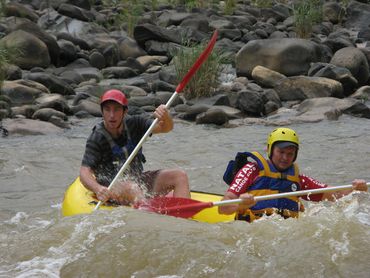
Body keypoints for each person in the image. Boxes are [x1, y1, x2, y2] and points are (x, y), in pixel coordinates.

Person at [219, 127, 368, 222]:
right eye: (281, 152)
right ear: (270, 150)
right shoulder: (252, 170)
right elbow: (222, 207)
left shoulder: (298, 180)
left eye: (290, 154)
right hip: (250, 227)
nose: (285, 157)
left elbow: (333, 194)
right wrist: (240, 202)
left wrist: (355, 187)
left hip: (284, 230)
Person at [80, 89, 191, 205]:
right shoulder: (97, 137)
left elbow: (165, 128)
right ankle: (148, 213)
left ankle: (182, 215)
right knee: (131, 187)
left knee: (179, 176)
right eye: (107, 110)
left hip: (138, 181)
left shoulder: (135, 123)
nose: (111, 115)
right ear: (102, 112)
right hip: (112, 187)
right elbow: (84, 172)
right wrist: (98, 189)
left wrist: (165, 117)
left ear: (125, 112)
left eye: (117, 109)